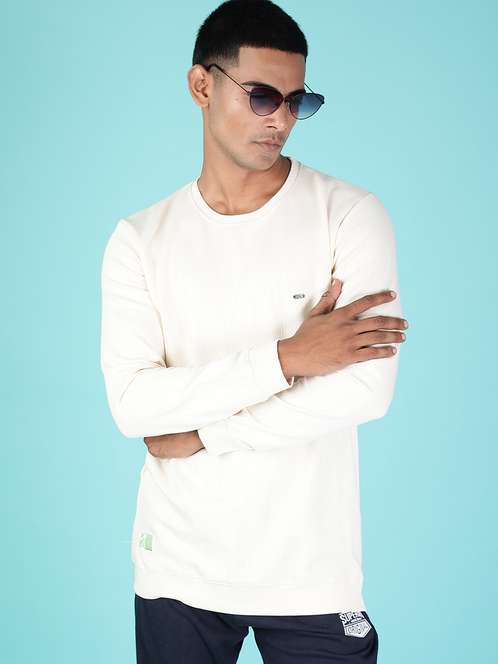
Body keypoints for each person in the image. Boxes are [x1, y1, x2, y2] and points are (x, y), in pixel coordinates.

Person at [99, 1, 409, 661]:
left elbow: (364, 391)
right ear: (201, 85)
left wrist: (204, 435)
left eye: (299, 102)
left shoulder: (349, 215)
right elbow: (133, 405)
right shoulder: (140, 240)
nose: (282, 120)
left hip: (309, 572)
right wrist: (287, 359)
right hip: (177, 567)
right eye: (263, 96)